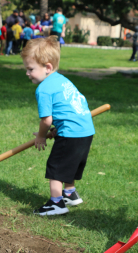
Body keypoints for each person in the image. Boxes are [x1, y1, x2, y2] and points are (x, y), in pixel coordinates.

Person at [20, 36, 95, 216]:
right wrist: (57, 130)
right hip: (85, 130)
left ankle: (56, 203)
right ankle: (70, 193)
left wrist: (40, 135)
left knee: (56, 168)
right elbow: (69, 109)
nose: (27, 73)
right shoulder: (62, 80)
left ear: (47, 67)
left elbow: (46, 119)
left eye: (30, 69)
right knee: (70, 164)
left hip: (71, 133)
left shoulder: (44, 88)